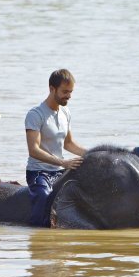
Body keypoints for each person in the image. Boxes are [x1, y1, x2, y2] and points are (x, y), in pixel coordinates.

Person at [25, 68, 88, 227]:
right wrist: (63, 163)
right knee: (44, 197)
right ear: (52, 89)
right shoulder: (35, 114)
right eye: (65, 91)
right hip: (39, 172)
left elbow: (69, 144)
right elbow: (34, 150)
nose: (69, 96)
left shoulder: (65, 112)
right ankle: (39, 233)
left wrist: (92, 154)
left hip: (59, 170)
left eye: (71, 92)